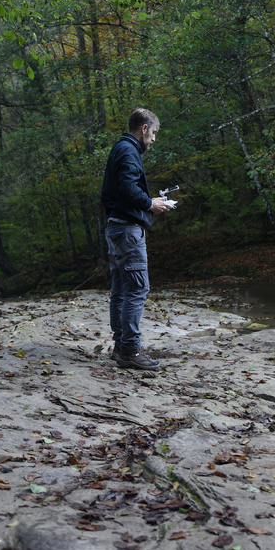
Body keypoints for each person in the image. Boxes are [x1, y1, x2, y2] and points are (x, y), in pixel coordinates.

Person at [100, 108, 173, 370]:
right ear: (144, 128)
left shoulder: (121, 148)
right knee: (137, 289)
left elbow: (122, 188)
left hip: (116, 228)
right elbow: (129, 188)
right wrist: (149, 204)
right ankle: (130, 349)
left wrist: (150, 202)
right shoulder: (129, 150)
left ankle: (122, 346)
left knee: (121, 290)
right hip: (127, 231)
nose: (153, 139)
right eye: (153, 133)